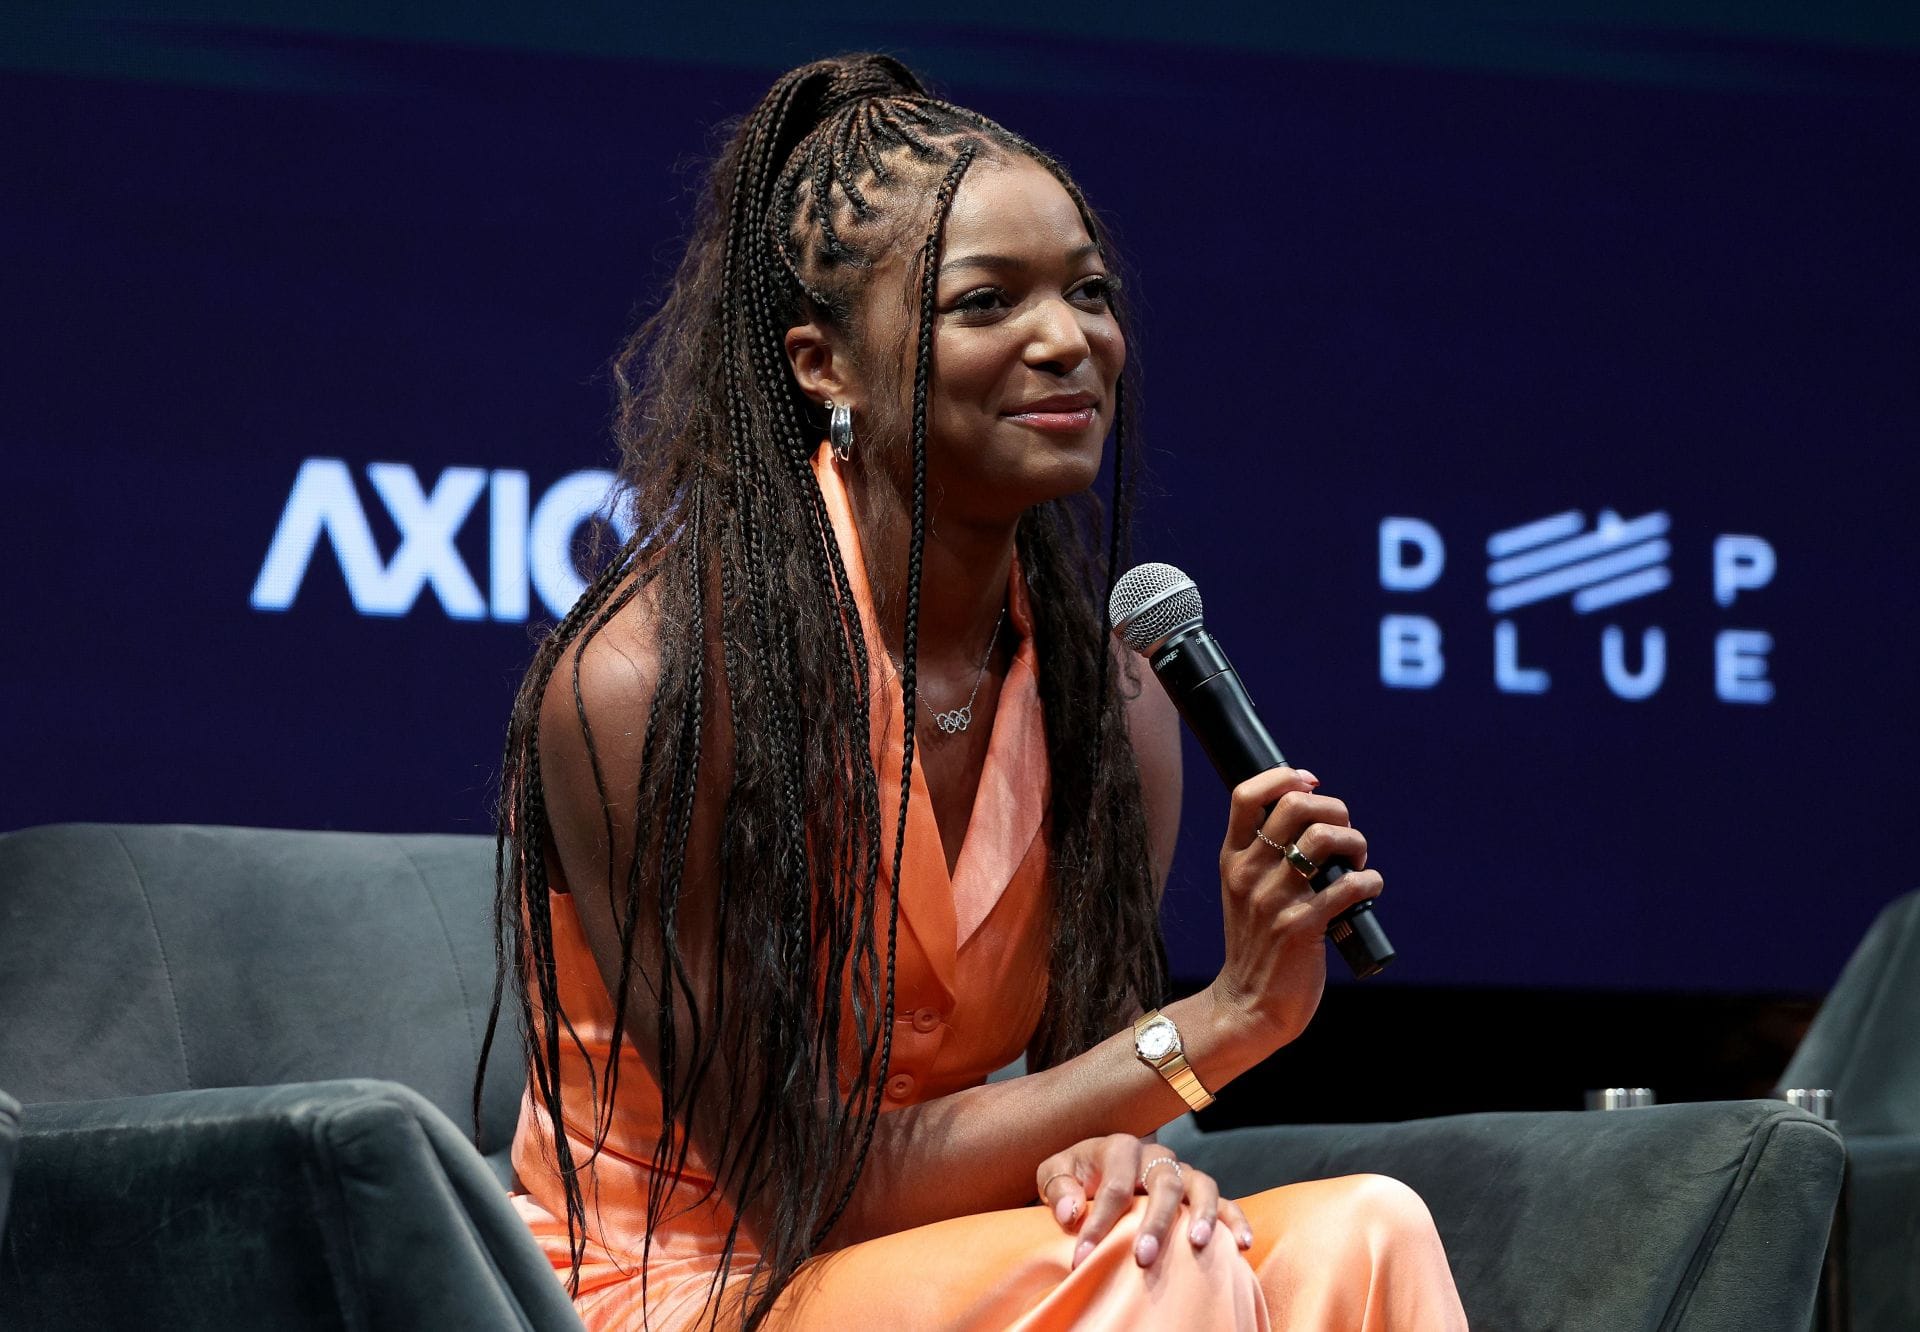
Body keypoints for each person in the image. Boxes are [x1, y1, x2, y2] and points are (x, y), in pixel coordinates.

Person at [482, 53, 1469, 1331]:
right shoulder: (649, 682)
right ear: (821, 366)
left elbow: (1082, 1088)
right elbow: (807, 1190)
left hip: (949, 1259)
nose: (1070, 341)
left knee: (1366, 1227)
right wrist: (1218, 1026)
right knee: (1151, 1268)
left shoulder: (1106, 695)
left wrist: (1120, 1147)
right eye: (989, 301)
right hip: (673, 1281)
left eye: (1091, 293)